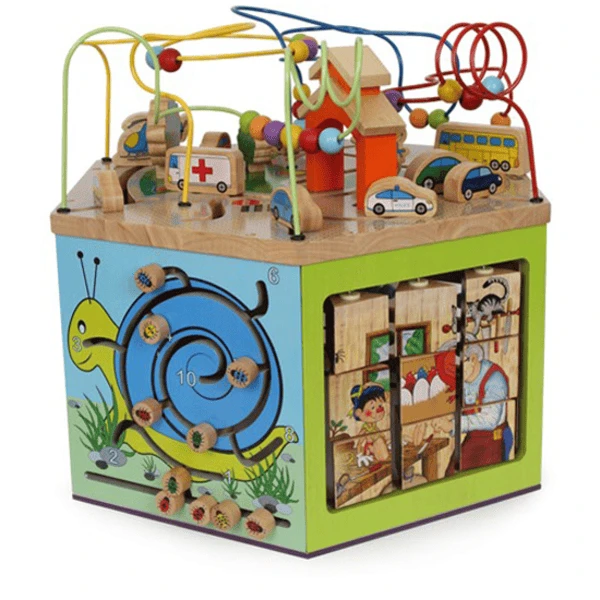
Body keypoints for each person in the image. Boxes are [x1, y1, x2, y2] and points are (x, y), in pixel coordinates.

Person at [436, 344, 513, 473]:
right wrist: (449, 417)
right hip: (474, 437)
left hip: (495, 439)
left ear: (473, 359)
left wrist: (453, 425)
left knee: (485, 477)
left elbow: (490, 420)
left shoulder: (494, 379)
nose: (456, 378)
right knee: (452, 473)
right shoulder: (465, 378)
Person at [349, 383, 390, 465]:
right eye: (372, 407)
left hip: (379, 448)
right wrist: (360, 455)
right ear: (359, 413)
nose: (379, 410)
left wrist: (369, 384)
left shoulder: (374, 426)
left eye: (380, 406)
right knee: (379, 443)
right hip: (370, 450)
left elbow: (384, 390)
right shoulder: (365, 430)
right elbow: (359, 444)